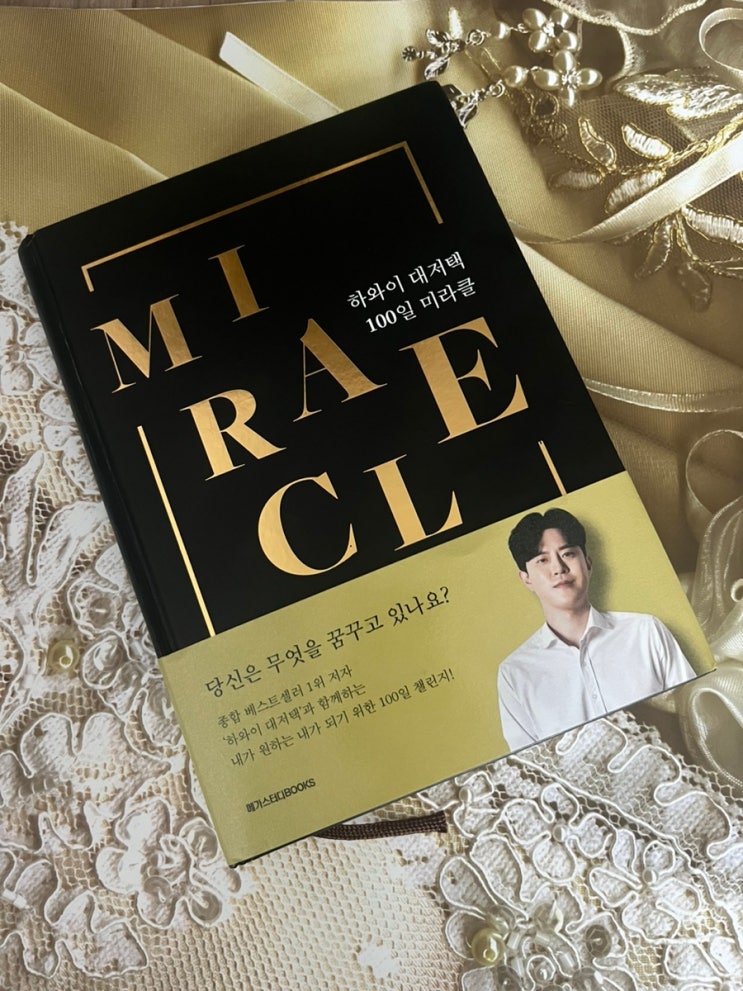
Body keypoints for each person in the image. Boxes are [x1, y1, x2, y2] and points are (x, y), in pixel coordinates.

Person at [497, 507, 696, 750]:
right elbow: (528, 762)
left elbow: (696, 715)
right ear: (526, 578)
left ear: (588, 563)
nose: (558, 568)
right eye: (542, 560)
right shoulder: (515, 673)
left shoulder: (645, 632)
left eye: (568, 554)